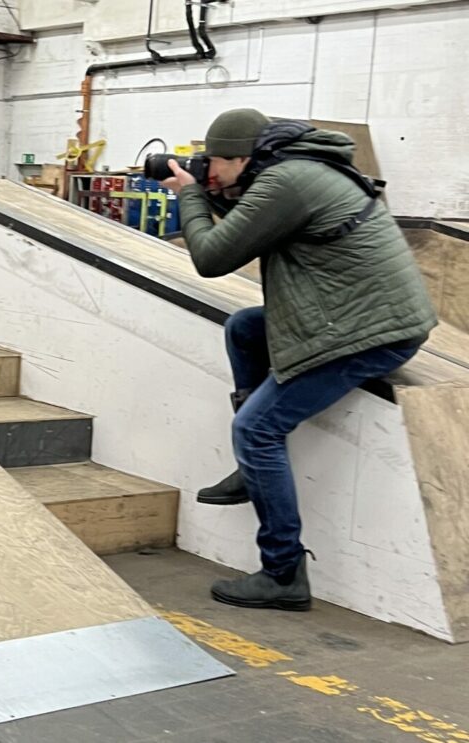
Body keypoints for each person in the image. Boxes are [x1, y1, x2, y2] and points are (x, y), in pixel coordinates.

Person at [161, 108, 437, 611]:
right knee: (244, 327)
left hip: (372, 333)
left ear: (243, 156)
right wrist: (214, 190)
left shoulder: (288, 180)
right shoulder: (293, 169)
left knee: (255, 429)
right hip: (355, 316)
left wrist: (190, 195)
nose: (209, 171)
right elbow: (247, 229)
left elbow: (212, 258)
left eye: (216, 163)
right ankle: (253, 473)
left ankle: (283, 571)